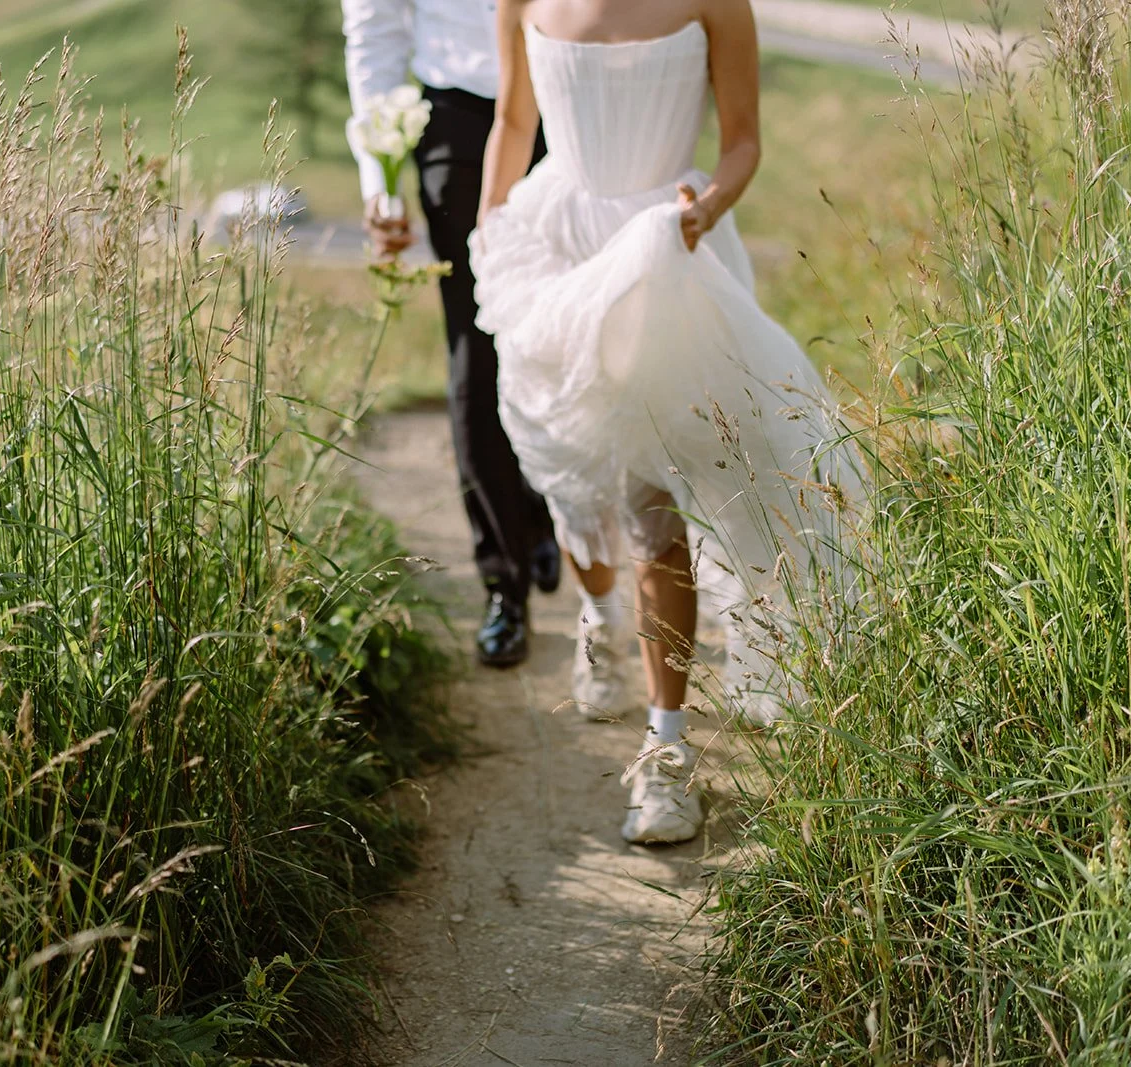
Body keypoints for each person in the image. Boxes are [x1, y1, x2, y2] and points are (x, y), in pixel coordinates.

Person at [471, 0, 865, 843]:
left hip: (665, 256)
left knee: (652, 507)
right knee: (577, 482)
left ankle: (667, 750)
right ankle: (599, 615)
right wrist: (488, 232)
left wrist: (707, 206)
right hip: (555, 251)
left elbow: (744, 140)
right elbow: (512, 118)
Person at [341, 0, 574, 670]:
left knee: (564, 332)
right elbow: (376, 34)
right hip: (458, 120)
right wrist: (379, 179)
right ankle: (504, 581)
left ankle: (542, 502)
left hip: (570, 105)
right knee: (477, 342)